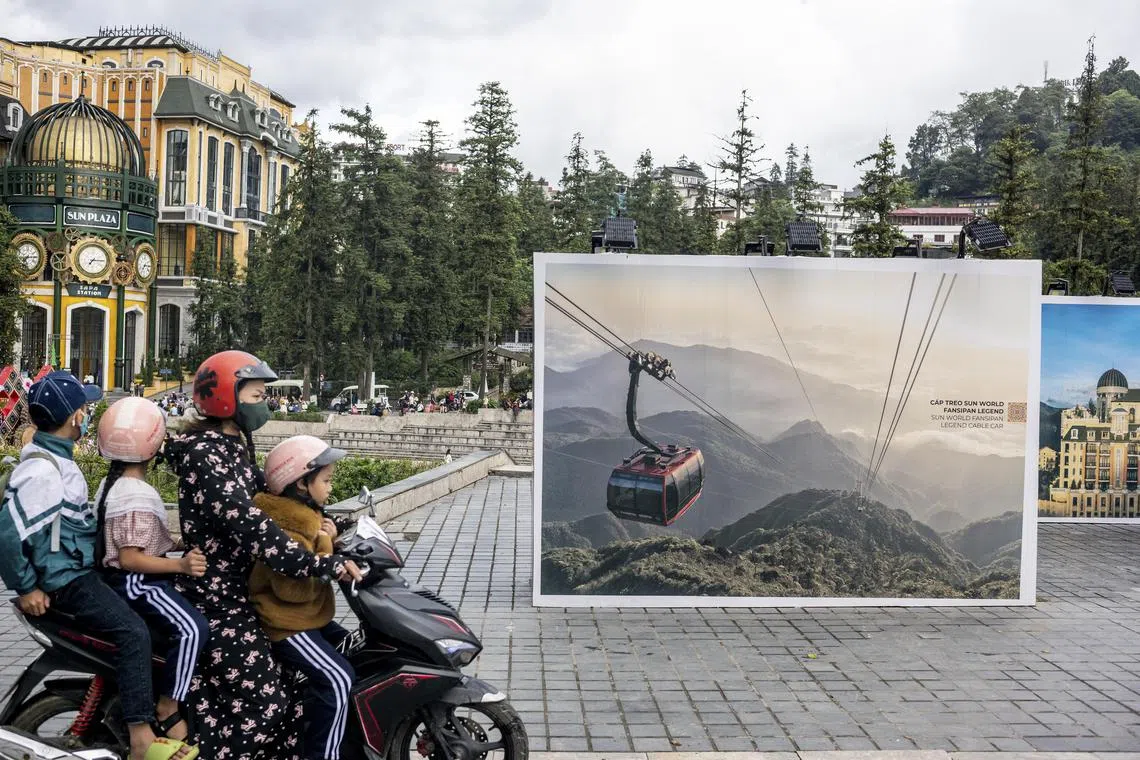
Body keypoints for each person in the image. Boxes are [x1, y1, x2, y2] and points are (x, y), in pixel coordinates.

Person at [167, 350, 362, 760]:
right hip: (218, 599)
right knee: (265, 705)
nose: (264, 405)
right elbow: (252, 527)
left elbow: (274, 502)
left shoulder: (234, 442)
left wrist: (332, 527)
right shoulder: (205, 453)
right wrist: (319, 564)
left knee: (300, 685)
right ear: (224, 397)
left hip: (245, 589)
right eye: (256, 396)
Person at [0, 372, 197, 760]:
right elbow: (7, 533)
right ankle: (141, 733)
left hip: (74, 572)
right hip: (66, 581)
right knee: (132, 632)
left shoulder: (57, 460)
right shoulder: (42, 471)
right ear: (75, 417)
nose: (89, 414)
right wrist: (26, 587)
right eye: (86, 408)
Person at [96, 397, 211, 745]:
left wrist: (172, 543)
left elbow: (136, 542)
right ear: (152, 446)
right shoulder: (137, 493)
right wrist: (181, 564)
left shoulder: (110, 485)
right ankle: (169, 705)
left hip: (121, 579)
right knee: (193, 628)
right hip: (136, 582)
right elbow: (131, 558)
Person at [251, 436, 354, 760]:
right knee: (338, 679)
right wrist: (326, 546)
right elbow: (293, 590)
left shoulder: (304, 517)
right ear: (300, 484)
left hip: (308, 617)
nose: (331, 487)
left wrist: (329, 536)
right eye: (326, 480)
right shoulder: (286, 529)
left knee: (356, 647)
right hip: (286, 623)